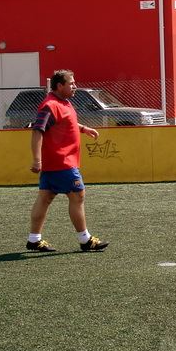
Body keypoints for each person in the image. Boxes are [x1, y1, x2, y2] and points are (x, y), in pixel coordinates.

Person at [26, 70, 109, 252]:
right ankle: (85, 240)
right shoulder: (50, 105)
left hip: (55, 163)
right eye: (71, 83)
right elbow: (37, 130)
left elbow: (66, 122)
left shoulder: (63, 102)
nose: (75, 86)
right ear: (59, 86)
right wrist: (37, 160)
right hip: (62, 162)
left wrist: (83, 128)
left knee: (45, 198)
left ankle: (34, 239)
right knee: (77, 196)